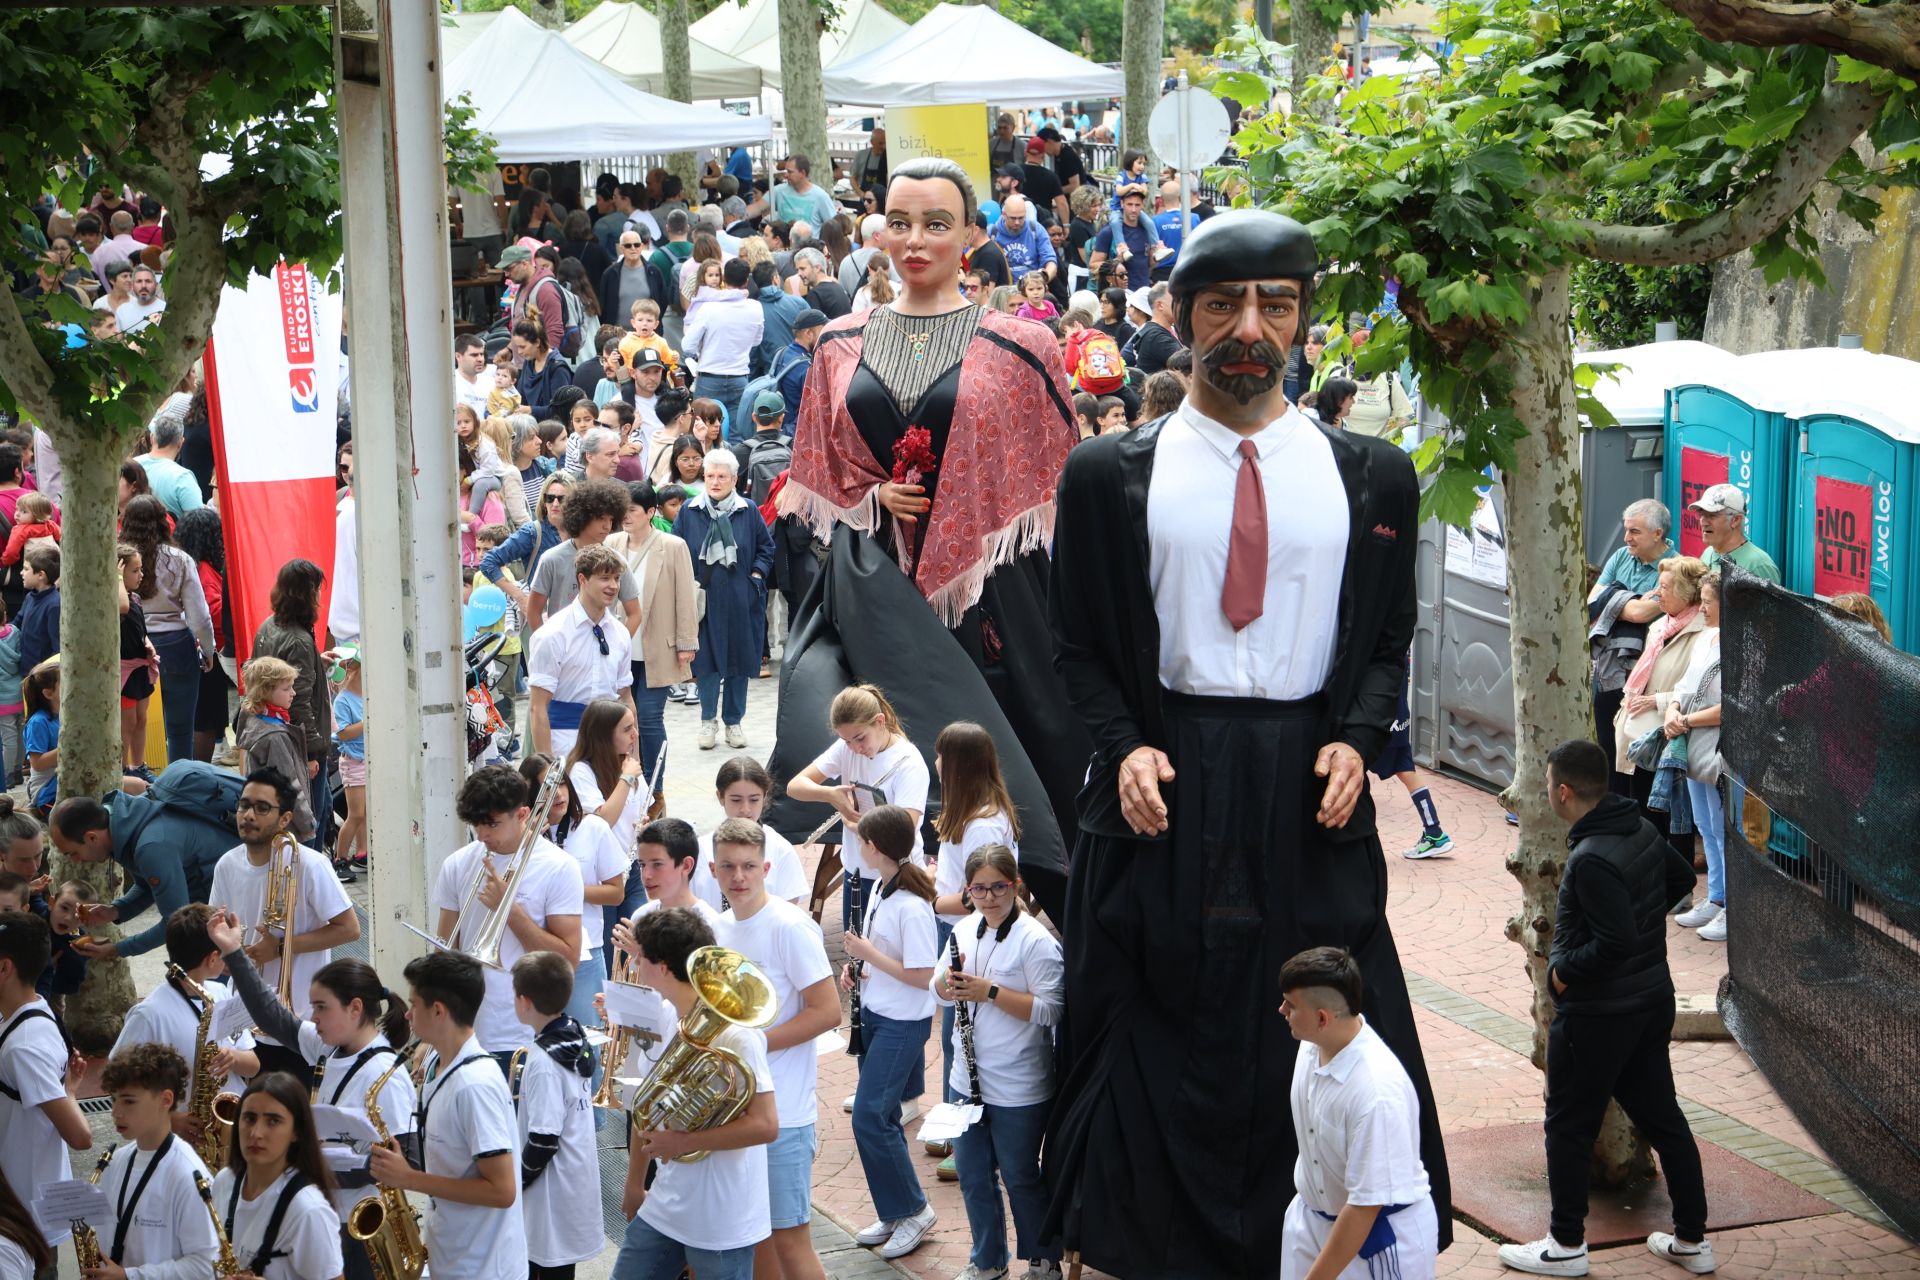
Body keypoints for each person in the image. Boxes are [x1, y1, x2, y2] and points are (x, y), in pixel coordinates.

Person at [1043, 209, 1451, 1275]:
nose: (1249, 327)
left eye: (1276, 304)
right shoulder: (1103, 474)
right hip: (1164, 782)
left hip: (1304, 786)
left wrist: (1362, 738)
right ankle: (1135, 1243)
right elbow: (1077, 642)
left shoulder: (1375, 476)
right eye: (1223, 303)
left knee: (1317, 1006)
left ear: (1305, 319)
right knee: (1147, 1002)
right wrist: (1124, 741)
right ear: (1182, 315)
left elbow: (1386, 636)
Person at [771, 158, 1084, 925]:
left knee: (1023, 756)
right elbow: (816, 473)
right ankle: (896, 920)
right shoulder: (840, 341)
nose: (915, 240)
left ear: (972, 236)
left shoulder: (1022, 345)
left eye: (937, 224)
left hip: (990, 596)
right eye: (900, 222)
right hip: (873, 585)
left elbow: (1055, 471)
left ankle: (1052, 916)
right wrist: (871, 497)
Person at [1499, 740, 1711, 1278]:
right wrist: (1641, 931)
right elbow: (1682, 879)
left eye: (1547, 784)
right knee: (1664, 1120)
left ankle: (1565, 1246)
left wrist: (1562, 976)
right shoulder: (1637, 827)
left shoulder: (1591, 859)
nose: (1547, 792)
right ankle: (1691, 1240)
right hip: (1648, 1003)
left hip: (1599, 1016)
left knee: (1568, 1127)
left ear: (1563, 792)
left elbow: (1613, 943)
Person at [208, 909, 417, 1280]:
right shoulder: (330, 1048)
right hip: (330, 1218)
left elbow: (405, 1164)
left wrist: (302, 1166)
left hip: (358, 1235)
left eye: (322, 1007)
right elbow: (274, 1018)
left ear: (355, 1009)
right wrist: (233, 952)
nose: (313, 1017)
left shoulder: (386, 1077)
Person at [611, 906, 778, 1280]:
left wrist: (684, 1141)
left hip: (722, 1217)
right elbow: (647, 1106)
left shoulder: (738, 1035)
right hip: (667, 1205)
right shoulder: (671, 1015)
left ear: (663, 968)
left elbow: (767, 1126)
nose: (635, 965)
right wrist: (635, 1183)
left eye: (640, 958)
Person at [705, 823, 837, 1280]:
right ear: (713, 870)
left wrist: (755, 1042)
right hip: (736, 1109)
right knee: (756, 1235)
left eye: (747, 867)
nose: (738, 877)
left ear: (766, 869)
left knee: (789, 1239)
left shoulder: (790, 925)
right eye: (728, 867)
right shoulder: (718, 929)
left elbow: (828, 1012)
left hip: (786, 1110)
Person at [933, 843, 1065, 1280]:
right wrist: (948, 987)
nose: (988, 897)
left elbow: (1051, 1010)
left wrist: (989, 992)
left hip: (1019, 1083)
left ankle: (1043, 1261)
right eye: (979, 889)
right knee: (972, 1174)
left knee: (1021, 1175)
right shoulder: (963, 930)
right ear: (967, 890)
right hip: (964, 1081)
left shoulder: (1036, 941)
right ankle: (987, 1260)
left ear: (1016, 886)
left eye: (998, 887)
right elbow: (936, 986)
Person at [1276, 946, 1439, 1280]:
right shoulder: (1312, 1044)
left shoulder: (1376, 1092)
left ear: (1322, 1018)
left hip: (1376, 1242)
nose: (1281, 1010)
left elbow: (1365, 1207)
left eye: (1291, 1005)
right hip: (1311, 1221)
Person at [370, 951, 527, 1280]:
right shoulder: (434, 1063)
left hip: (482, 1268)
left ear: (438, 1011)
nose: (409, 1015)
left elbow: (502, 1190)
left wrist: (409, 1178)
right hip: (453, 1255)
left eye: (414, 1005)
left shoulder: (474, 1086)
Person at [208, 767, 359, 1076]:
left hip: (301, 1020)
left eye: (262, 808)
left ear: (285, 819)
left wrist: (279, 947)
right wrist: (224, 958)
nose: (249, 814)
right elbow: (217, 925)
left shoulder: (311, 864)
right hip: (246, 1020)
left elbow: (350, 929)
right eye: (244, 805)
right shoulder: (227, 864)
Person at [431, 765, 586, 1062]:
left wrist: (509, 910)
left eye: (493, 824)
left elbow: (568, 959)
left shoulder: (560, 867)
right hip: (464, 1030)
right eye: (477, 824)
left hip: (522, 1034)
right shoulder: (457, 863)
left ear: (523, 814)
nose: (482, 836)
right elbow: (445, 951)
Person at [842, 806, 939, 1261]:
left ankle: (915, 1210)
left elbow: (924, 976)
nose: (858, 847)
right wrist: (856, 968)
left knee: (868, 1116)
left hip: (903, 1023)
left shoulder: (912, 906)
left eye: (861, 840)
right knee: (880, 1120)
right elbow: (885, 955)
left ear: (874, 847)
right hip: (880, 1014)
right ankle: (896, 1209)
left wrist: (867, 954)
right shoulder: (884, 886)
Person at [786, 684, 931, 957]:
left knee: (892, 962)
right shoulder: (847, 748)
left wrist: (856, 825)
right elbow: (795, 786)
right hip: (857, 872)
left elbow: (904, 831)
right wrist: (829, 794)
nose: (854, 748)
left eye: (860, 739)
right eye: (847, 741)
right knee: (857, 965)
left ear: (880, 722)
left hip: (897, 877)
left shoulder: (909, 762)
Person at [110, 903, 261, 1133]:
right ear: (212, 958)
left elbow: (253, 1067)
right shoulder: (149, 1014)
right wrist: (167, 1120)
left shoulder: (221, 994)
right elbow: (116, 1082)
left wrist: (234, 1058)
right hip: (181, 1138)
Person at [54, 780, 237, 961]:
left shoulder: (151, 847)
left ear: (92, 837)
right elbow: (146, 885)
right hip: (210, 900)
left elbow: (176, 922)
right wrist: (115, 911)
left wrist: (118, 949)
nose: (76, 861)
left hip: (232, 901)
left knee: (216, 981)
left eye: (74, 853)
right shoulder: (123, 825)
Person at [0, 909, 91, 1254]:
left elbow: (80, 1137)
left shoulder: (24, 1047)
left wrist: (68, 1093)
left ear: (4, 968)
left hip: (25, 1219)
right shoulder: (34, 1008)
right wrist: (66, 1091)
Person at [92, 1043, 221, 1275]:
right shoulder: (116, 1162)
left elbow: (206, 1266)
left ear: (166, 1100)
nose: (116, 1112)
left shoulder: (188, 1173)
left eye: (129, 1101)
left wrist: (130, 1276)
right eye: (114, 1100)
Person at [673, 451, 773, 750]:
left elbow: (766, 548)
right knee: (705, 663)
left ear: (734, 479)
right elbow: (678, 551)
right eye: (710, 476)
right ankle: (707, 722)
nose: (715, 482)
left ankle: (733, 722)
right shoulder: (690, 510)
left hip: (741, 598)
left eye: (722, 476)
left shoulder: (748, 509)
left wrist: (756, 575)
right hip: (702, 600)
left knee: (739, 662)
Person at [510, 950, 601, 1280]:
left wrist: (514, 1183)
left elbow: (544, 1139)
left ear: (525, 1002)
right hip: (573, 1188)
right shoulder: (574, 1033)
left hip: (550, 1198)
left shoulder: (544, 1064)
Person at [523, 751, 627, 1033]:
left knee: (585, 1042)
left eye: (562, 783)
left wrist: (567, 889)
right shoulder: (520, 837)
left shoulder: (593, 827)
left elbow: (616, 892)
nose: (558, 794)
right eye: (547, 787)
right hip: (533, 950)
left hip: (585, 950)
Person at [604, 480, 698, 793]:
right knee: (622, 717)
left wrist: (687, 643)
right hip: (619, 648)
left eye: (632, 510)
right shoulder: (612, 543)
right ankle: (628, 783)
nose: (626, 516)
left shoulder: (672, 545)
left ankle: (653, 788)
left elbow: (686, 596)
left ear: (650, 511)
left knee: (649, 717)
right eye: (622, 510)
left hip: (658, 646)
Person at [1611, 556, 1710, 851]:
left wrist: (1658, 700)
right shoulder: (1660, 626)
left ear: (1686, 593)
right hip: (1641, 733)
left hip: (1670, 736)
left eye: (1665, 587)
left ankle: (1674, 886)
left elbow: (1700, 690)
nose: (1657, 593)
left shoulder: (1703, 633)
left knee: (1670, 816)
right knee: (1641, 809)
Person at [208, 1073, 346, 1280]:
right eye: (249, 1118)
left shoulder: (309, 1210)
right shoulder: (224, 1180)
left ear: (296, 1132)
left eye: (273, 1121)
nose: (256, 1133)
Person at [121, 493, 218, 770]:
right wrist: (208, 649)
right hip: (176, 645)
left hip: (129, 645)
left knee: (130, 723)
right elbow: (199, 615)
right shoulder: (180, 559)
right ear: (164, 521)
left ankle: (131, 779)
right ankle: (180, 785)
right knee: (179, 728)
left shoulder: (115, 558)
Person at [252, 558, 335, 861]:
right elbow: (299, 702)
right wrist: (313, 750)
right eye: (317, 589)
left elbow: (266, 674)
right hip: (300, 744)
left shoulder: (269, 626)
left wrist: (316, 661)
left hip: (276, 733)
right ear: (307, 593)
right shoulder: (299, 639)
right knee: (311, 818)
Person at [1588, 499, 1677, 778]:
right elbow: (1593, 601)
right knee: (1606, 745)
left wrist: (1613, 599)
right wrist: (1632, 602)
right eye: (1626, 530)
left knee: (1636, 756)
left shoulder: (1674, 569)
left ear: (1657, 534)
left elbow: (1641, 615)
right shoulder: (1621, 556)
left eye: (1634, 532)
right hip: (1608, 668)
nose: (1627, 538)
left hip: (1646, 675)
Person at [526, 543, 636, 760]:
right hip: (564, 743)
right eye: (605, 578)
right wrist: (547, 769)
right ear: (582, 579)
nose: (613, 586)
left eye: (616, 578)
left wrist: (634, 759)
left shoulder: (621, 633)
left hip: (610, 743)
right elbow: (538, 708)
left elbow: (626, 698)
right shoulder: (552, 634)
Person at [1668, 571, 1727, 942]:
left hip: (1720, 748)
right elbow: (1684, 684)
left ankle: (1733, 908)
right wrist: (1674, 710)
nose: (1702, 607)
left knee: (1723, 830)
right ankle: (1717, 899)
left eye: (1707, 601)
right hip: (1693, 740)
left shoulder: (1745, 644)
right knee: (1705, 826)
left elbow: (1733, 707)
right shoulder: (1707, 636)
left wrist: (1685, 719)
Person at [689, 757, 810, 912]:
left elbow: (788, 909)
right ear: (720, 797)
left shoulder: (780, 848)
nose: (745, 810)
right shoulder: (701, 849)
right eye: (736, 800)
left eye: (753, 800)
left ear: (764, 797)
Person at [233, 658, 320, 844]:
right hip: (288, 827)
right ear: (265, 691)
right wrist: (307, 824)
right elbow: (289, 783)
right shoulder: (275, 736)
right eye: (286, 688)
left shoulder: (255, 720)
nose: (293, 693)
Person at [683, 259, 764, 427]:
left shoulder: (708, 308)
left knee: (703, 432)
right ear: (746, 282)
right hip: (739, 377)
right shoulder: (756, 307)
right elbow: (757, 341)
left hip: (709, 377)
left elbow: (687, 346)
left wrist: (703, 347)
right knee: (736, 433)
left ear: (724, 279)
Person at [1689, 483, 1781, 582]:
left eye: (1712, 515)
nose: (1703, 522)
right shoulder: (1708, 553)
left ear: (1736, 520)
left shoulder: (1758, 566)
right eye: (1701, 515)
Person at [330, 646, 368, 869]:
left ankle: (362, 853)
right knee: (355, 814)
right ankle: (340, 858)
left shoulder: (367, 695)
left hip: (367, 760)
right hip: (353, 762)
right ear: (353, 669)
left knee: (365, 813)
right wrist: (368, 722)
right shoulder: (343, 700)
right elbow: (342, 733)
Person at [136, 415, 205, 517]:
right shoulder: (182, 477)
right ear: (180, 442)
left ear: (151, 438)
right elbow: (197, 523)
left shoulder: (131, 465)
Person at [14, 548, 58, 676]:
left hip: (40, 678)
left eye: (26, 569)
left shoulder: (54, 605)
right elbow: (16, 624)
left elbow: (57, 648)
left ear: (41, 575)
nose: (22, 573)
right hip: (25, 671)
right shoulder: (30, 597)